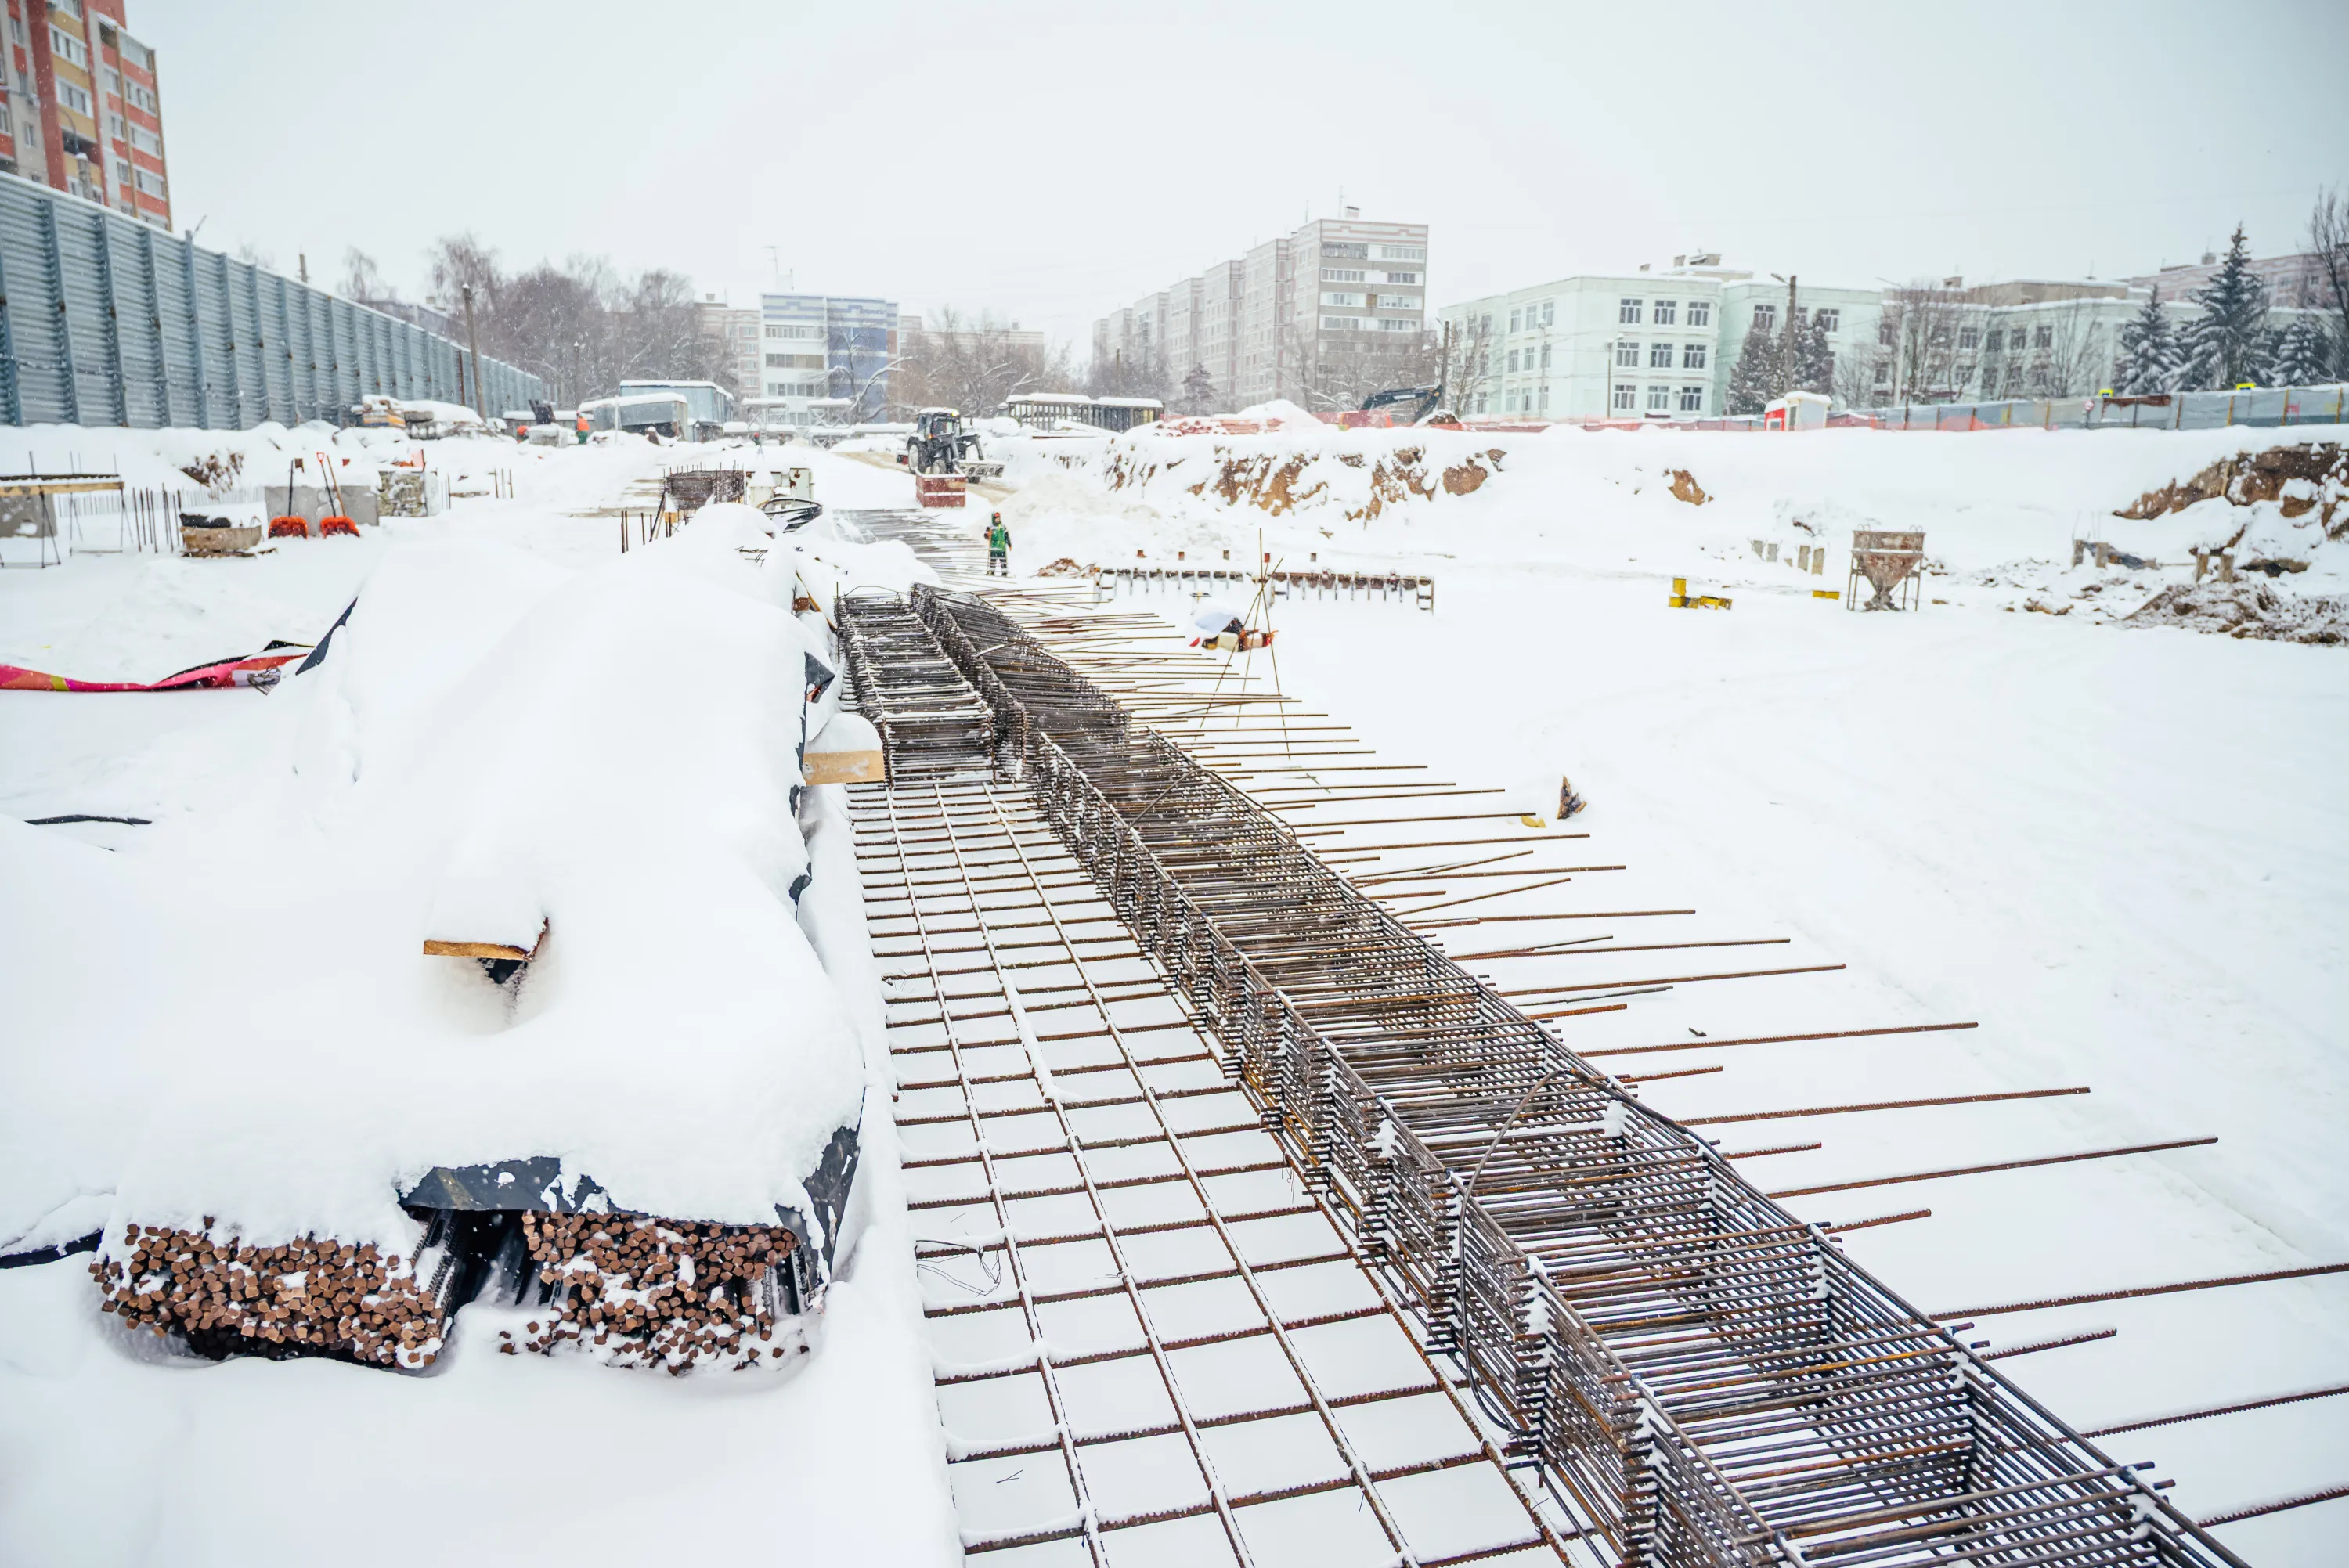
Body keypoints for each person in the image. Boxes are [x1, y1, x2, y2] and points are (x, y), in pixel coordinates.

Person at [986, 512, 1011, 576]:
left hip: (1002, 547)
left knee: (1003, 561)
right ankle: (991, 572)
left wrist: (1009, 544)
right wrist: (988, 534)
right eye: (996, 518)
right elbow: (986, 536)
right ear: (993, 519)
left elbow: (1006, 536)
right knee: (993, 560)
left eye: (999, 518)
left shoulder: (1003, 526)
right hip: (994, 547)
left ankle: (1004, 573)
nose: (998, 519)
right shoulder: (990, 527)